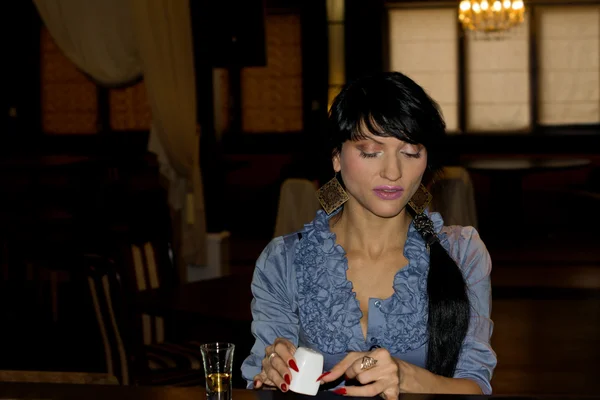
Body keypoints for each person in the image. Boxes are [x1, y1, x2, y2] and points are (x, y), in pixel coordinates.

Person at [240, 71, 496, 398]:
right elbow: (262, 381)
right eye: (370, 151)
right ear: (336, 157)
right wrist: (273, 372)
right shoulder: (284, 261)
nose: (392, 172)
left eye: (411, 151)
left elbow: (475, 385)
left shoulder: (461, 253)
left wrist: (408, 378)